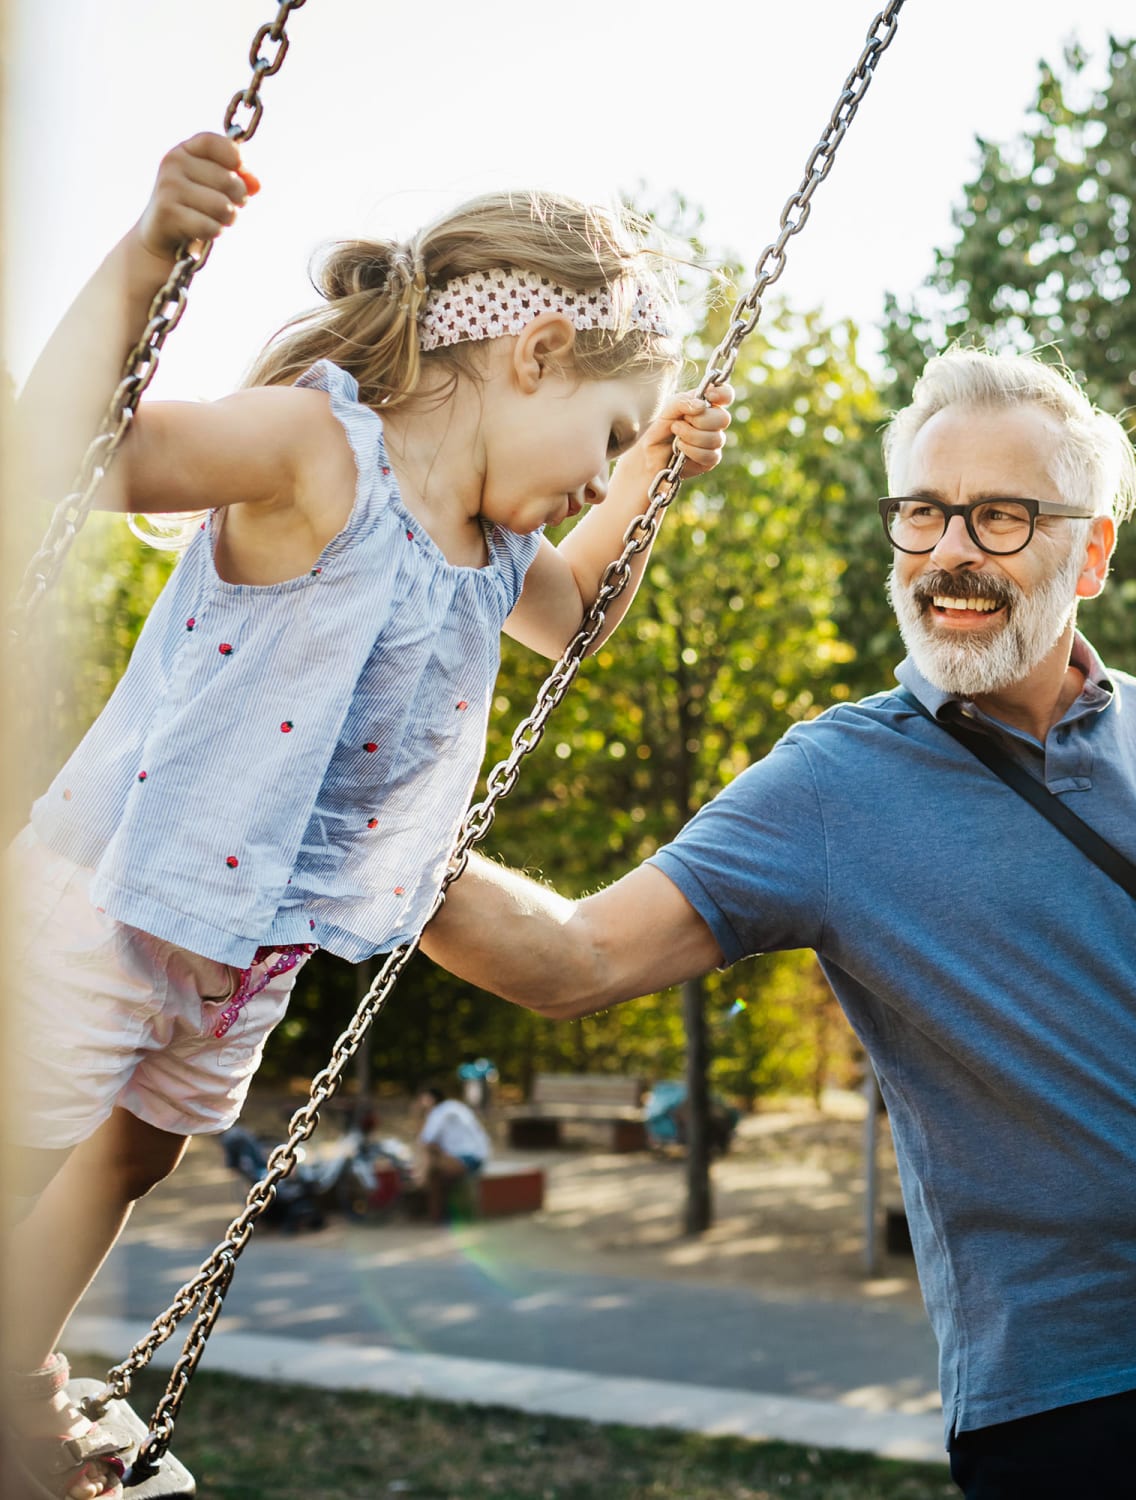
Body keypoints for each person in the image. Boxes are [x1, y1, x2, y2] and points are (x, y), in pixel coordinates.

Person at [420, 347, 1136, 1500]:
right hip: (1060, 1406)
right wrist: (381, 839)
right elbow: (574, 959)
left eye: (1001, 517)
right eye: (924, 515)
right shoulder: (828, 784)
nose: (951, 550)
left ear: (1091, 552)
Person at [1, 131, 731, 1500]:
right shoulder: (317, 449)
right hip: (110, 892)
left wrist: (648, 484)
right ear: (537, 350)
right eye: (609, 431)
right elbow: (86, 448)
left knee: (138, 1154)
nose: (600, 470)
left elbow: (579, 617)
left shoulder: (496, 555)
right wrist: (151, 251)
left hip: (254, 938)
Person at [413, 1085, 491, 1222]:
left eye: (422, 1099)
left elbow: (425, 1140)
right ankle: (423, 1185)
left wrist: (417, 1114)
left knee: (432, 1165)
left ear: (430, 1099)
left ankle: (421, 1185)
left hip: (467, 1159)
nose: (420, 1102)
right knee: (434, 1158)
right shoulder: (454, 1106)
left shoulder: (440, 1112)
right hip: (479, 1156)